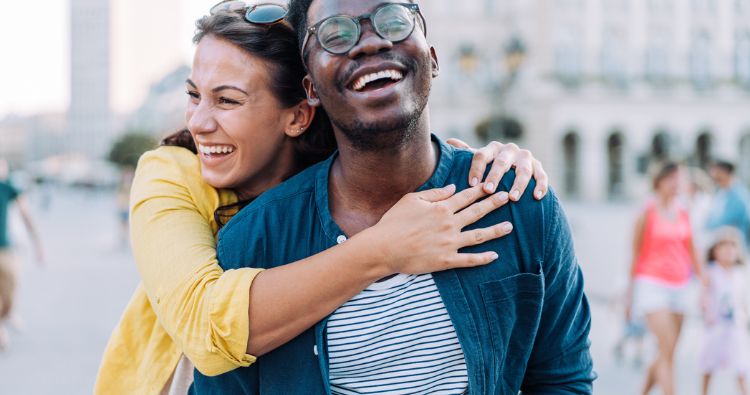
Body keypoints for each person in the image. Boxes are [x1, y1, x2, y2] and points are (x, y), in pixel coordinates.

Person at [94, 4, 551, 394]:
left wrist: (477, 160)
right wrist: (382, 248)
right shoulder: (170, 173)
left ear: (298, 115)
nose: (198, 122)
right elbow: (203, 326)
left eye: (226, 101)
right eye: (194, 96)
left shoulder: (330, 167)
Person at [628, 162, 703, 395]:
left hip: (680, 286)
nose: (677, 184)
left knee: (666, 352)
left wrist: (705, 283)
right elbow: (634, 253)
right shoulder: (646, 212)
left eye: (679, 179)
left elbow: (692, 249)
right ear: (659, 181)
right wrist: (629, 296)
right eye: (672, 178)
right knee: (666, 349)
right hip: (652, 285)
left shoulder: (683, 212)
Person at [0, 159, 44, 350]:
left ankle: (6, 315)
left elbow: (26, 213)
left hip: (5, 248)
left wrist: (37, 244)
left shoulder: (8, 188)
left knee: (11, 288)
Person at [700, 228, 749, 395]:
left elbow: (742, 299)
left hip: (735, 326)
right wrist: (705, 308)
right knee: (709, 364)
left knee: (741, 365)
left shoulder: (740, 274)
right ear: (715, 251)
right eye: (724, 246)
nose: (729, 250)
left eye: (732, 246)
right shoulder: (712, 272)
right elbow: (704, 294)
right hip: (716, 326)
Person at [707, 160, 750, 246]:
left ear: (724, 171)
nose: (712, 173)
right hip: (722, 245)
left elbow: (723, 221)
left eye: (716, 170)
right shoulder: (722, 192)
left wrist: (707, 226)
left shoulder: (739, 195)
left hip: (736, 248)